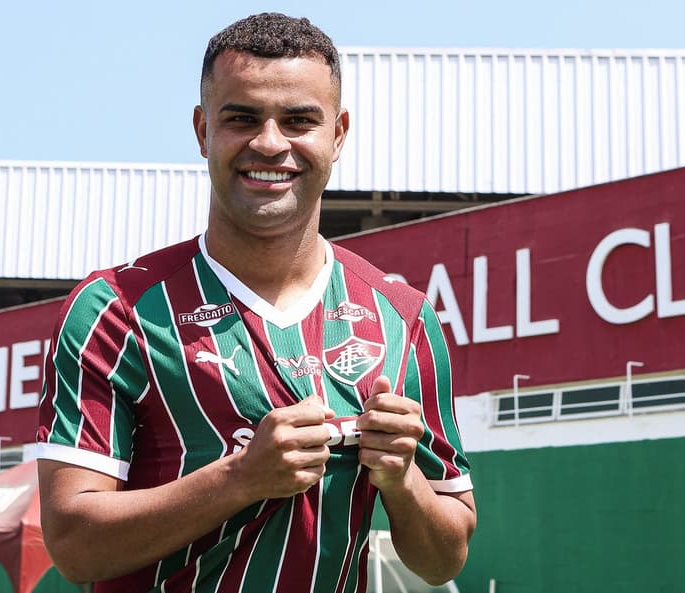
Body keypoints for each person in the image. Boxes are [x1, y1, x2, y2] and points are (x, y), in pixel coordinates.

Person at [36, 12, 475, 593]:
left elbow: (445, 559)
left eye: (299, 120)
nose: (270, 143)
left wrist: (402, 480)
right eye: (241, 118)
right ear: (202, 131)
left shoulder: (404, 316)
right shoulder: (115, 310)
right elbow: (73, 548)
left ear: (338, 134)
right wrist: (240, 477)